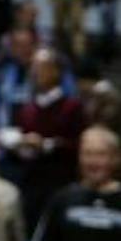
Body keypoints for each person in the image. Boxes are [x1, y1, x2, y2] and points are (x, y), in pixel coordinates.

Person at [10, 48, 86, 226]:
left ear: (56, 71)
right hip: (31, 183)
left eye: (42, 66)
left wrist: (46, 145)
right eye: (33, 66)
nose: (35, 72)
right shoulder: (27, 109)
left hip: (60, 183)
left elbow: (79, 144)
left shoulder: (72, 107)